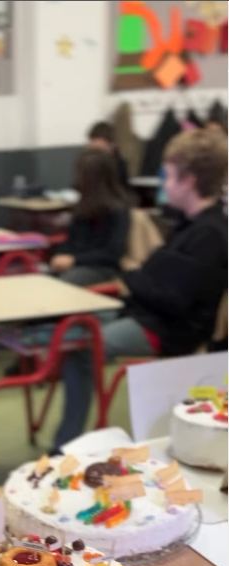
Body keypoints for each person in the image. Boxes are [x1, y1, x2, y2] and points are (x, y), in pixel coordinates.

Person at [53, 129, 228, 452]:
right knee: (72, 327)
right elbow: (155, 280)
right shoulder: (193, 225)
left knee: (80, 346)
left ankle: (67, 443)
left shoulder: (210, 233)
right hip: (147, 315)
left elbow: (174, 298)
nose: (164, 183)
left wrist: (134, 281)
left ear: (188, 180)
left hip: (167, 331)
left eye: (168, 175)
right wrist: (137, 281)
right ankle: (69, 435)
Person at [50, 148, 130, 287]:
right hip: (76, 264)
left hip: (101, 268)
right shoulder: (83, 206)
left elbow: (111, 255)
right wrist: (60, 255)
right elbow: (71, 241)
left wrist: (74, 259)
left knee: (62, 285)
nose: (77, 179)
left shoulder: (117, 210)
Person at [88, 120, 129, 189]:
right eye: (92, 140)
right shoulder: (88, 161)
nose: (93, 144)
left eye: (96, 140)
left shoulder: (118, 162)